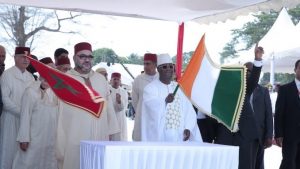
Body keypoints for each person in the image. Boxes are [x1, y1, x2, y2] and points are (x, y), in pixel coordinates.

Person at [56, 42, 119, 169]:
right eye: (82, 56)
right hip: (75, 137)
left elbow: (108, 108)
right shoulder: (65, 80)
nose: (87, 60)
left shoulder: (100, 80)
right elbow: (60, 114)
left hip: (100, 135)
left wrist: (112, 131)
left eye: (90, 57)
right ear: (74, 58)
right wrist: (60, 146)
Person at [215, 45, 264, 169]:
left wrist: (257, 59)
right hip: (225, 138)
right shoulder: (219, 95)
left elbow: (254, 78)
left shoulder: (244, 90)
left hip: (246, 136)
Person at [141, 53, 202, 142]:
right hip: (161, 137)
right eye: (165, 67)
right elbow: (150, 108)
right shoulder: (150, 88)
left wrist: (188, 128)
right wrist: (164, 102)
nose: (169, 69)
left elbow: (188, 110)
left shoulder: (179, 88)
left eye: (171, 66)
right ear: (158, 69)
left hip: (180, 136)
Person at [13, 57, 58, 169]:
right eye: (49, 68)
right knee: (29, 162)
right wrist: (24, 138)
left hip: (51, 138)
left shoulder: (56, 91)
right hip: (34, 138)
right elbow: (25, 116)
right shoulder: (31, 91)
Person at [0, 47, 35, 169]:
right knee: (8, 151)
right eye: (22, 56)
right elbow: (5, 99)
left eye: (28, 57)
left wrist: (28, 115)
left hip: (25, 122)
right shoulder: (7, 74)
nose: (26, 60)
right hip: (10, 118)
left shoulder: (31, 77)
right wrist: (23, 112)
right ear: (15, 58)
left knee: (23, 154)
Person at [244, 62, 273, 169]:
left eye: (250, 71)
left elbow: (268, 115)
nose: (247, 73)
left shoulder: (263, 91)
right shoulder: (237, 91)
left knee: (258, 164)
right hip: (242, 135)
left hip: (259, 135)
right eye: (245, 71)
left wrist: (269, 135)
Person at [275, 59, 300, 169]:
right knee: (288, 163)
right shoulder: (285, 89)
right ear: (295, 70)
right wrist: (278, 134)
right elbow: (279, 113)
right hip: (290, 135)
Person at [132, 53, 158, 141]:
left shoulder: (160, 78)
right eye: (144, 64)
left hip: (158, 118)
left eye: (148, 64)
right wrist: (141, 110)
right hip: (142, 116)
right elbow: (135, 101)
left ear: (155, 64)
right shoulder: (138, 79)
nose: (145, 66)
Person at [110, 72, 128, 141]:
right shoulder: (107, 90)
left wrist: (119, 102)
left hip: (120, 119)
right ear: (111, 80)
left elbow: (124, 108)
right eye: (114, 79)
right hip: (109, 118)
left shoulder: (123, 92)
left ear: (120, 81)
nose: (116, 81)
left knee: (120, 139)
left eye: (118, 79)